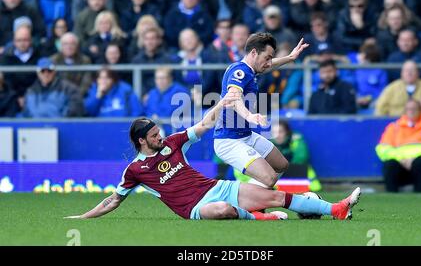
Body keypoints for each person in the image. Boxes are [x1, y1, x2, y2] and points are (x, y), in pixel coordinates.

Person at [64, 95, 361, 220]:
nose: (160, 137)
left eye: (159, 133)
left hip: (216, 187)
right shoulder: (135, 170)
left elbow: (204, 125)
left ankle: (335, 208)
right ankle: (259, 219)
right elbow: (113, 200)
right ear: (142, 141)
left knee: (276, 195)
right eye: (154, 136)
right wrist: (84, 217)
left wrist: (222, 102)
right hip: (195, 208)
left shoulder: (174, 143)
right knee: (221, 211)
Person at [214, 32, 309, 189]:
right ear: (253, 53)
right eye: (267, 57)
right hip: (229, 140)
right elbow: (233, 97)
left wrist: (290, 58)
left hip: (246, 135)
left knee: (281, 165)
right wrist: (248, 115)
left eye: (271, 58)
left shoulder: (251, 70)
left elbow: (270, 65)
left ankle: (251, 199)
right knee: (269, 178)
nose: (269, 62)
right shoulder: (240, 72)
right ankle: (243, 199)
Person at [376, 99, 421, 193]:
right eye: (408, 109)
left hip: (420, 167)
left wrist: (413, 159)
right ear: (405, 111)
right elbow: (382, 148)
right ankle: (391, 195)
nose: (411, 111)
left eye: (414, 109)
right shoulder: (394, 127)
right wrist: (401, 159)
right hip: (400, 165)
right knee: (390, 164)